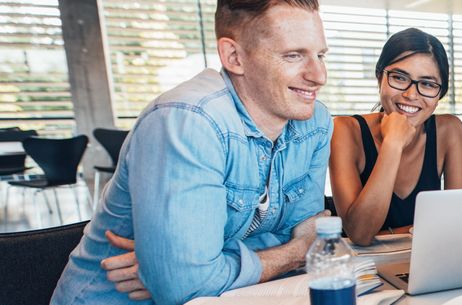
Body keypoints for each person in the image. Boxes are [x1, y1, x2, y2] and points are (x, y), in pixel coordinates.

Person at [50, 0, 332, 304]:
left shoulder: (313, 122)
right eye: (293, 55)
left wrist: (180, 267)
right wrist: (294, 252)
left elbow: (312, 233)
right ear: (234, 56)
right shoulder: (188, 120)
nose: (319, 76)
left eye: (320, 55)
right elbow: (187, 287)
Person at [328, 28, 462, 246]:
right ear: (379, 78)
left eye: (428, 84)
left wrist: (388, 233)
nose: (411, 95)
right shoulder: (345, 130)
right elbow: (360, 234)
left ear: (440, 94)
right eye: (399, 78)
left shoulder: (449, 130)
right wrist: (393, 143)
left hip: (428, 260)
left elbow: (459, 223)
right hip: (366, 270)